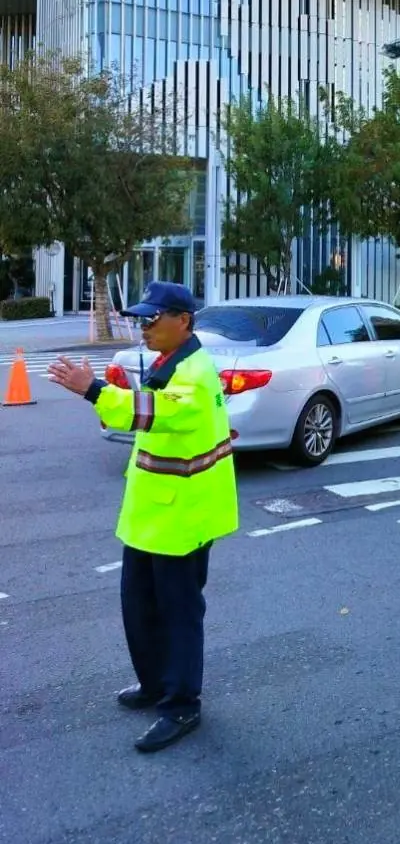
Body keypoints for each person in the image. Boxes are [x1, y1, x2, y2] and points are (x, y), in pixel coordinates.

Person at [47, 282, 238, 753]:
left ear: (184, 321)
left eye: (152, 319)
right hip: (151, 514)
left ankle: (181, 703)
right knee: (139, 607)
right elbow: (144, 416)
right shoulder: (167, 362)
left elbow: (157, 412)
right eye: (140, 319)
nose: (143, 327)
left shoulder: (195, 372)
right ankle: (155, 684)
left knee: (178, 615)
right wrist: (107, 393)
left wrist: (93, 389)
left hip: (183, 519)